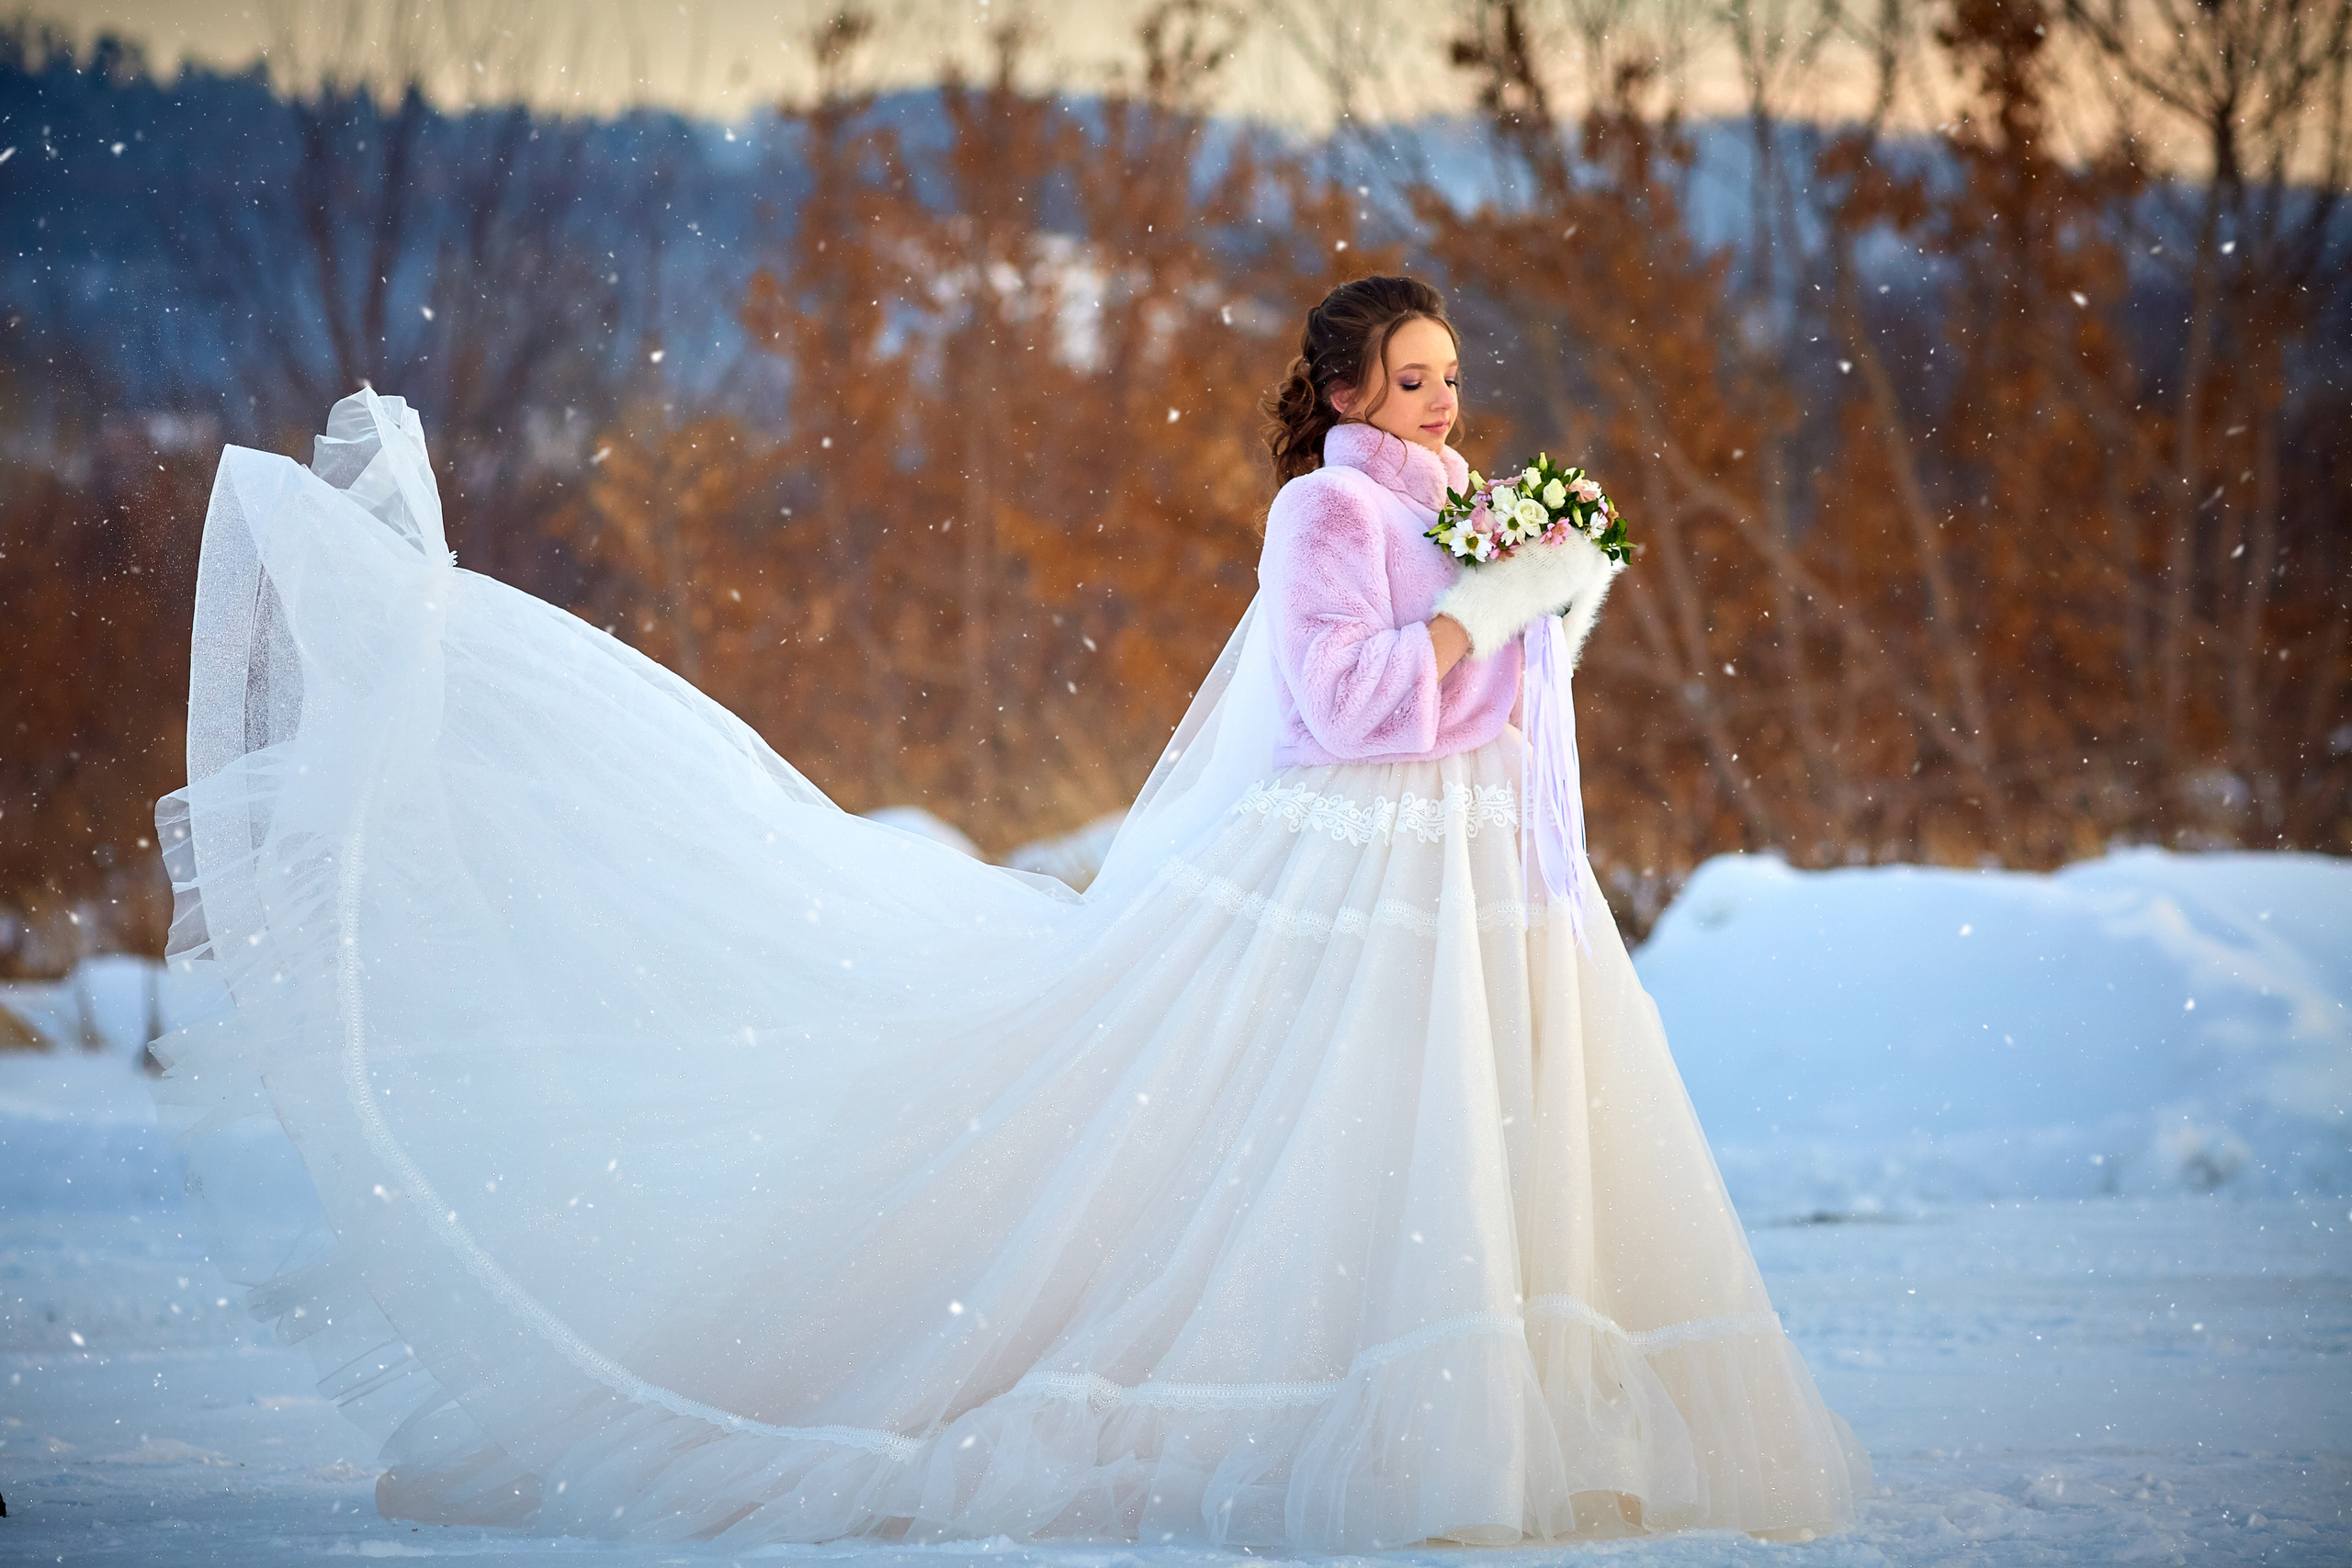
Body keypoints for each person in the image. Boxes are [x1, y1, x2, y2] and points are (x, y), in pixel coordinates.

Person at [153, 275, 1870, 1551]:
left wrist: (1543, 590)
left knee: (1467, 1151)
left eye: (1448, 377)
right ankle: (1359, 1433)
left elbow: (1492, 681)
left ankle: (1515, 1432)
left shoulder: (1455, 500)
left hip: (1471, 888)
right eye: (1408, 379)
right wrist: (1507, 600)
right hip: (1358, 875)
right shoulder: (1327, 511)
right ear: (1344, 389)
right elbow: (1354, 702)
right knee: (1299, 1147)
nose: (1437, 401)